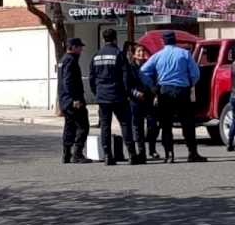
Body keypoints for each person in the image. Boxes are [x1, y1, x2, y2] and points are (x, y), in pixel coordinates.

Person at [140, 30, 207, 163]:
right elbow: (195, 73)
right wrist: (190, 83)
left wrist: (152, 86)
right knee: (187, 123)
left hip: (165, 91)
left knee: (166, 124)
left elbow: (143, 71)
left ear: (163, 41)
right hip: (182, 90)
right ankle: (192, 153)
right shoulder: (185, 54)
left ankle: (169, 154)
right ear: (175, 40)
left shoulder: (157, 55)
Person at [90, 28, 141, 166]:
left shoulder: (96, 56)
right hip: (118, 95)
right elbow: (125, 76)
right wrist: (127, 93)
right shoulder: (118, 54)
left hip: (102, 96)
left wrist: (97, 92)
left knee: (105, 126)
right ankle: (132, 154)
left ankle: (108, 156)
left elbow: (92, 78)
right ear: (115, 39)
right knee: (125, 124)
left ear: (103, 39)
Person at [57, 37, 92, 164]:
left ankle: (66, 154)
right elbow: (68, 81)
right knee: (83, 126)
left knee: (69, 126)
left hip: (65, 100)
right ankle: (77, 153)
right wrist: (75, 99)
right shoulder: (70, 60)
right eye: (79, 47)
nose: (81, 49)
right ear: (72, 47)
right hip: (73, 101)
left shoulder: (63, 60)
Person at [128, 44, 163, 161]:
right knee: (138, 127)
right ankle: (141, 151)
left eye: (143, 51)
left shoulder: (150, 67)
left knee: (153, 125)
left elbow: (156, 82)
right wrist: (136, 93)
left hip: (149, 100)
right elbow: (127, 85)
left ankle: (152, 149)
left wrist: (156, 95)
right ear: (133, 54)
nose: (141, 53)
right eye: (138, 51)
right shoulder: (130, 68)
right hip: (136, 101)